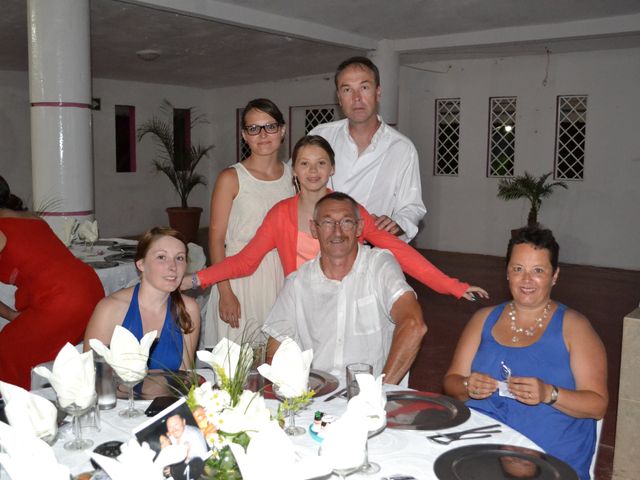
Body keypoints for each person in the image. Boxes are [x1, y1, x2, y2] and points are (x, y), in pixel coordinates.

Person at [187, 135, 487, 302]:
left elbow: (397, 249)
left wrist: (452, 286)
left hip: (349, 305)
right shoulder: (281, 214)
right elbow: (245, 260)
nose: (313, 171)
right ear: (295, 170)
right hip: (301, 306)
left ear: (332, 168)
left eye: (321, 163)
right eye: (304, 163)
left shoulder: (348, 210)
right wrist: (196, 279)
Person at [443, 226, 608, 480]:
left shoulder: (575, 327)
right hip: (480, 451)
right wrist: (468, 385)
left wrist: (548, 393)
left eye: (538, 271)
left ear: (555, 276)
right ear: (507, 272)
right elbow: (451, 383)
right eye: (518, 269)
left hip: (548, 460)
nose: (527, 280)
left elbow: (597, 405)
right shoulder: (483, 320)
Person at [262, 192, 427, 384]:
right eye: (327, 223)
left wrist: (379, 393)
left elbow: (414, 325)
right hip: (318, 399)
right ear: (314, 229)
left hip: (373, 400)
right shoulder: (297, 282)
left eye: (346, 222)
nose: (337, 232)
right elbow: (276, 347)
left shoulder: (379, 265)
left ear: (359, 228)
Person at [0, 176, 104, 389]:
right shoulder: (30, 217)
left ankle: (15, 411)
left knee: (8, 349)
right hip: (88, 287)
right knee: (58, 355)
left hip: (62, 298)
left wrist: (11, 315)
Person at [205, 98, 293, 345]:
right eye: (254, 128)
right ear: (245, 135)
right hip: (238, 279)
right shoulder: (231, 178)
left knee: (277, 364)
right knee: (234, 367)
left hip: (279, 277)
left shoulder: (293, 176)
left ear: (282, 131)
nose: (263, 135)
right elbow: (216, 240)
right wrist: (225, 292)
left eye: (270, 126)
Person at [309, 56, 426, 241]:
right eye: (347, 90)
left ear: (378, 92)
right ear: (339, 98)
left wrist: (398, 222)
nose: (356, 98)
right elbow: (295, 181)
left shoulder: (402, 148)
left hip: (373, 248)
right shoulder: (321, 136)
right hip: (322, 245)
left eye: (364, 87)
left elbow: (412, 206)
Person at [84, 227, 200, 371]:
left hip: (170, 394)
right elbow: (90, 375)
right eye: (161, 257)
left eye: (179, 258)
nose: (173, 267)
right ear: (141, 264)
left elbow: (185, 376)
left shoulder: (188, 309)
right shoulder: (110, 309)